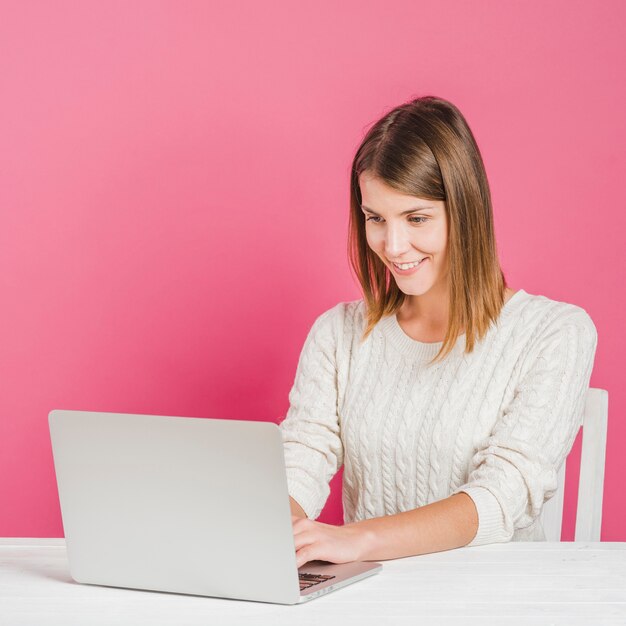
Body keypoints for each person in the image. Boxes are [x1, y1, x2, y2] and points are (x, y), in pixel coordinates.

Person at [279, 95, 598, 569]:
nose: (393, 245)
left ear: (465, 211)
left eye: (417, 218)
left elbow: (504, 495)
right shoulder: (338, 334)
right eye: (375, 219)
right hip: (371, 602)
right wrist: (268, 529)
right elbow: (300, 460)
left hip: (493, 603)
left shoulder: (554, 333)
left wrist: (359, 540)